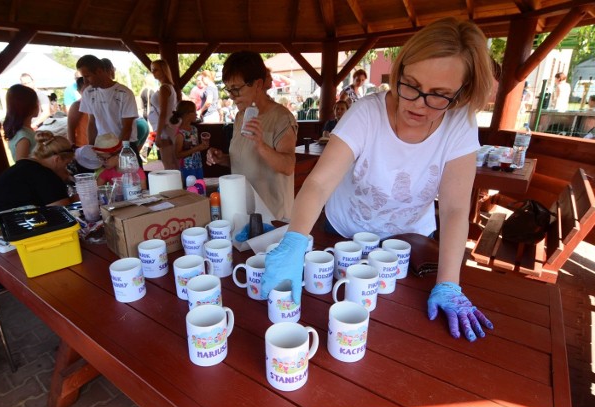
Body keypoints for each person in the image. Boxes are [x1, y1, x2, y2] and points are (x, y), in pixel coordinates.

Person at [261, 18, 495, 342]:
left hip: (410, 246)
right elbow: (318, 184)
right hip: (342, 234)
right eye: (410, 84)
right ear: (398, 72)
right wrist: (294, 241)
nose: (417, 104)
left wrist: (449, 282)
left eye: (439, 95)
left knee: (401, 335)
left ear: (461, 93)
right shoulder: (367, 113)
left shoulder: (460, 124)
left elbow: (455, 209)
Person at [206, 51, 298, 220]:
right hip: (243, 210)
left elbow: (288, 166)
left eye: (236, 89)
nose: (232, 97)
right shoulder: (241, 116)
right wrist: (222, 158)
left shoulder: (282, 117)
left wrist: (261, 146)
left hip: (273, 216)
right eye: (228, 90)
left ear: (258, 84)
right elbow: (243, 160)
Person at [0, 131, 74, 212]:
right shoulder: (45, 175)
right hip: (13, 221)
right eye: (66, 164)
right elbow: (63, 211)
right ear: (57, 159)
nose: (66, 170)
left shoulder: (25, 166)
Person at [76, 55, 139, 149]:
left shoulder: (124, 93)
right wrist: (91, 147)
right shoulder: (88, 93)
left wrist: (116, 151)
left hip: (126, 145)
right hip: (102, 145)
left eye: (87, 76)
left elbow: (127, 127)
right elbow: (92, 123)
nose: (85, 81)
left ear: (99, 71)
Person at [146, 59, 178, 169]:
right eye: (152, 70)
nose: (153, 72)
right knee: (172, 162)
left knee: (168, 163)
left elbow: (163, 113)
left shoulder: (164, 88)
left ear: (163, 70)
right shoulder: (168, 87)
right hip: (168, 127)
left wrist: (158, 135)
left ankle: (174, 185)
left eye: (155, 70)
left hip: (165, 129)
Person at [171, 101, 209, 182]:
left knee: (200, 186)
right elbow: (178, 154)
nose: (196, 114)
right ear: (187, 114)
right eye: (194, 112)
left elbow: (196, 148)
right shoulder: (180, 133)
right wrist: (197, 148)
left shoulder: (194, 129)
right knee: (191, 188)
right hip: (187, 167)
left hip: (198, 165)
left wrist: (202, 146)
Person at [3, 84, 39, 162]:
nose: (38, 105)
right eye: (36, 102)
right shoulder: (23, 137)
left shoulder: (26, 131)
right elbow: (22, 168)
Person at [67, 76, 89, 147]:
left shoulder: (99, 103)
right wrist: (72, 147)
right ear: (79, 91)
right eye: (86, 90)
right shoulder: (77, 105)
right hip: (82, 146)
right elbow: (70, 128)